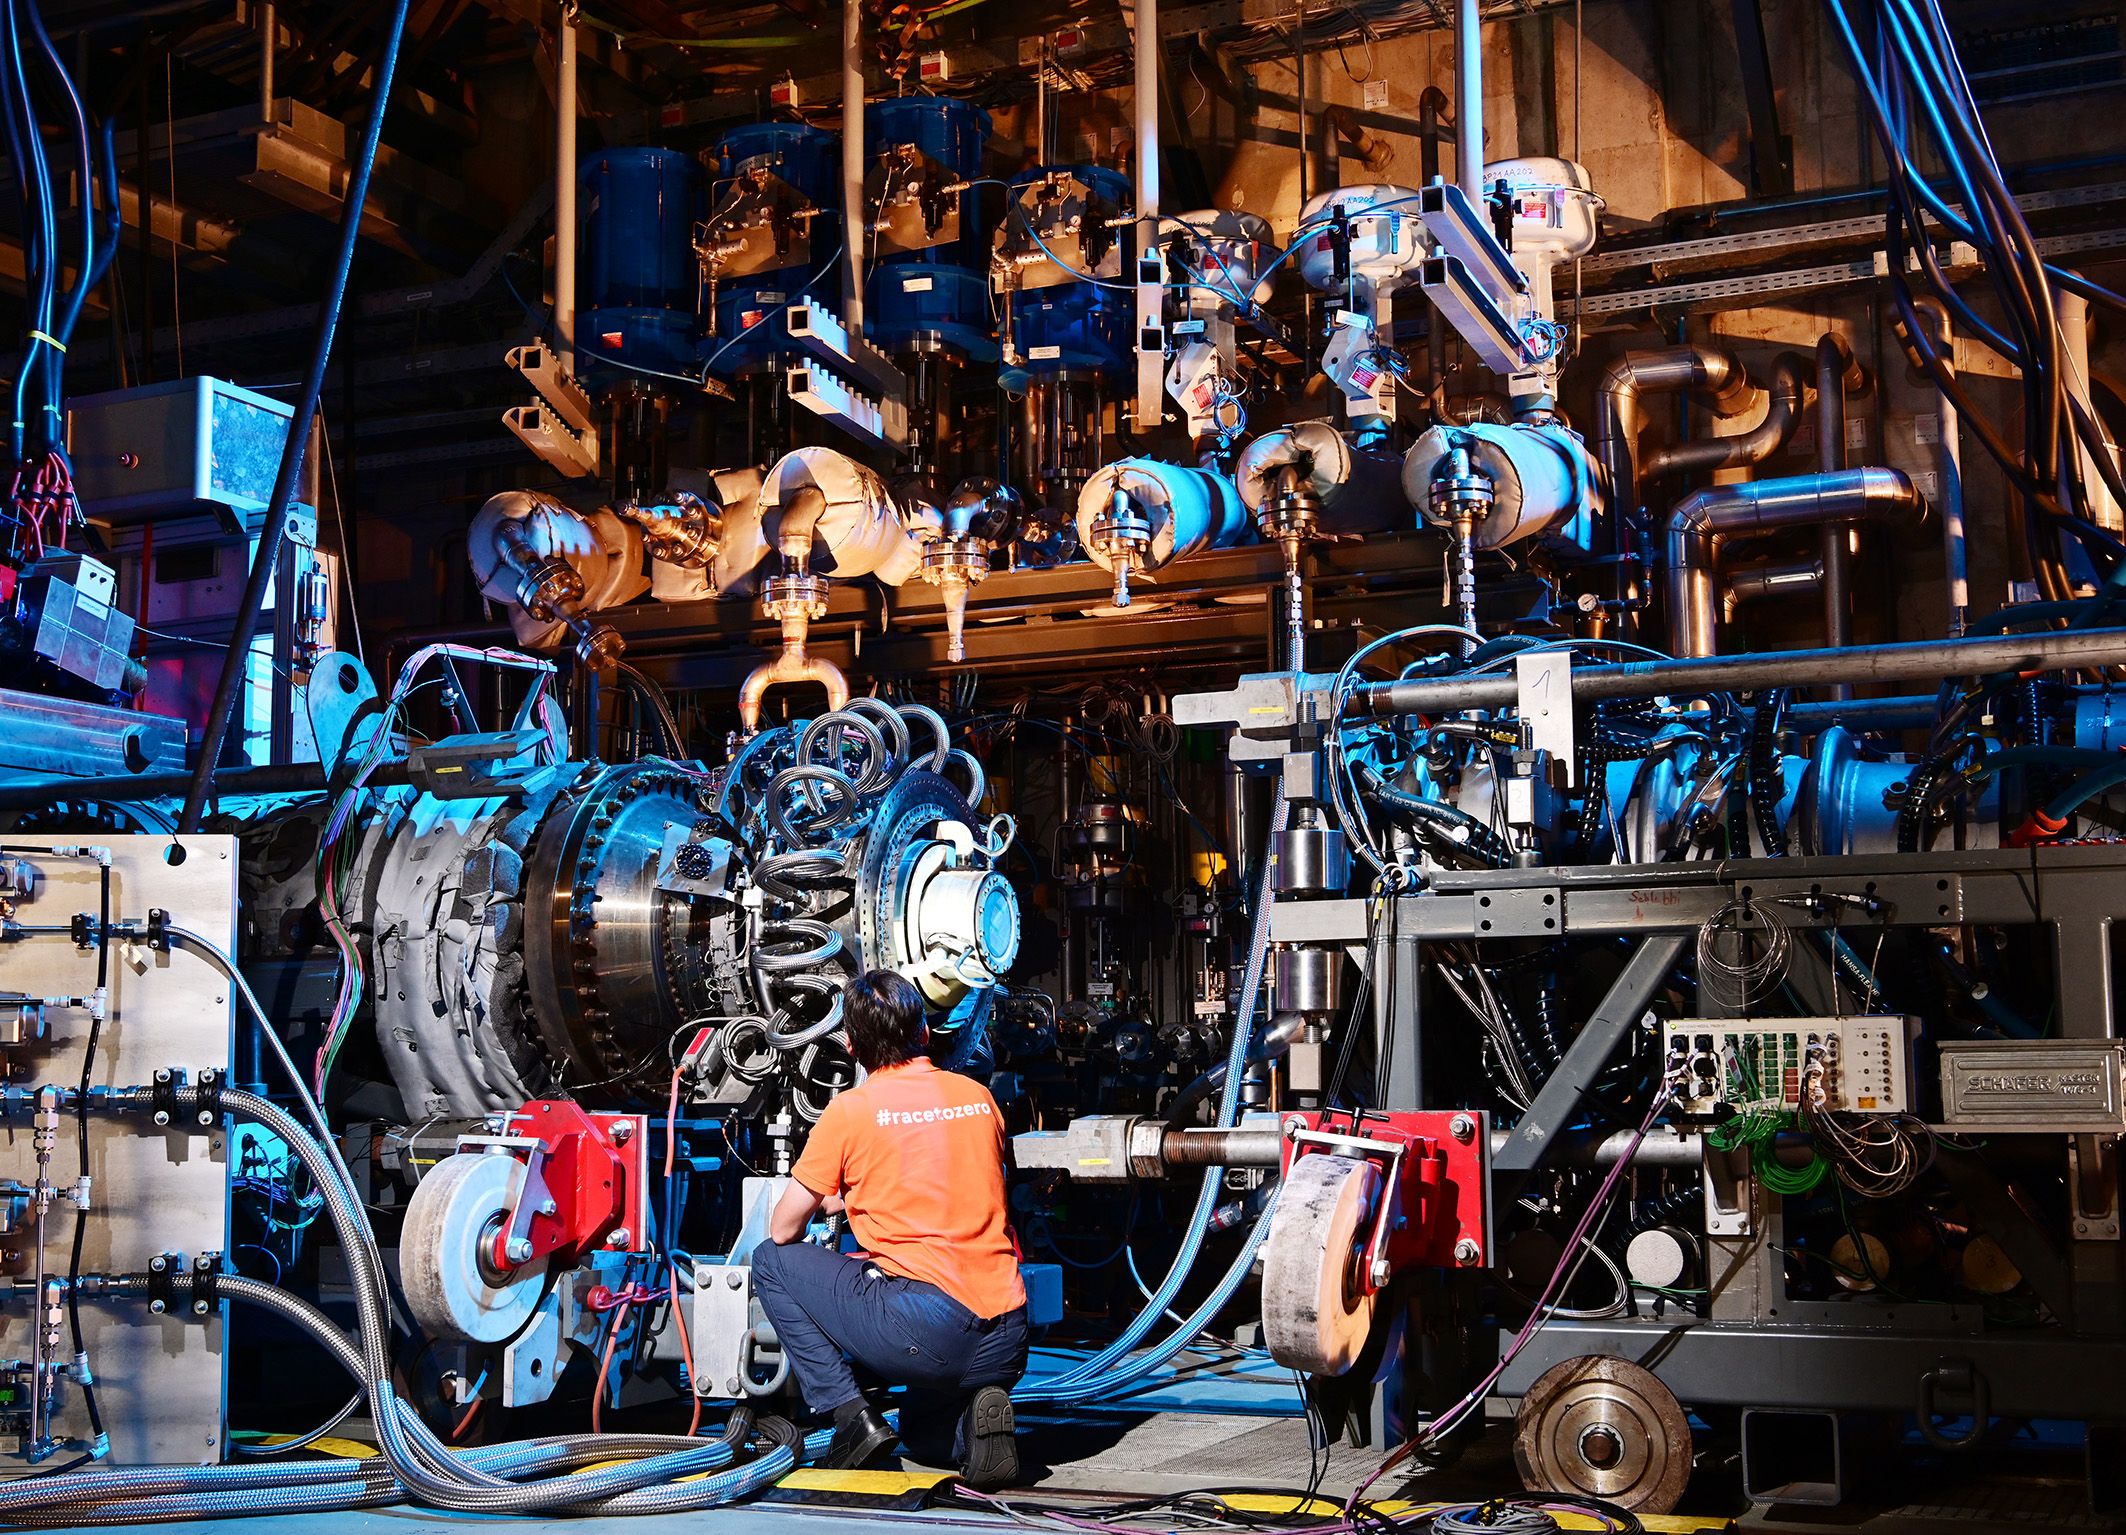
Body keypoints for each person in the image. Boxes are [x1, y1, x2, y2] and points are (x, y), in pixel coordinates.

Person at [750, 969, 1029, 1487]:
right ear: (924, 1032)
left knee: (772, 1261)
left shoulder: (851, 1112)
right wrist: (859, 1196)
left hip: (929, 1330)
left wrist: (835, 1200)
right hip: (1008, 1333)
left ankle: (850, 1418)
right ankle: (973, 1429)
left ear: (852, 1046)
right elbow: (958, 1181)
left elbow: (784, 1228)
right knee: (922, 1436)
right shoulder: (978, 1096)